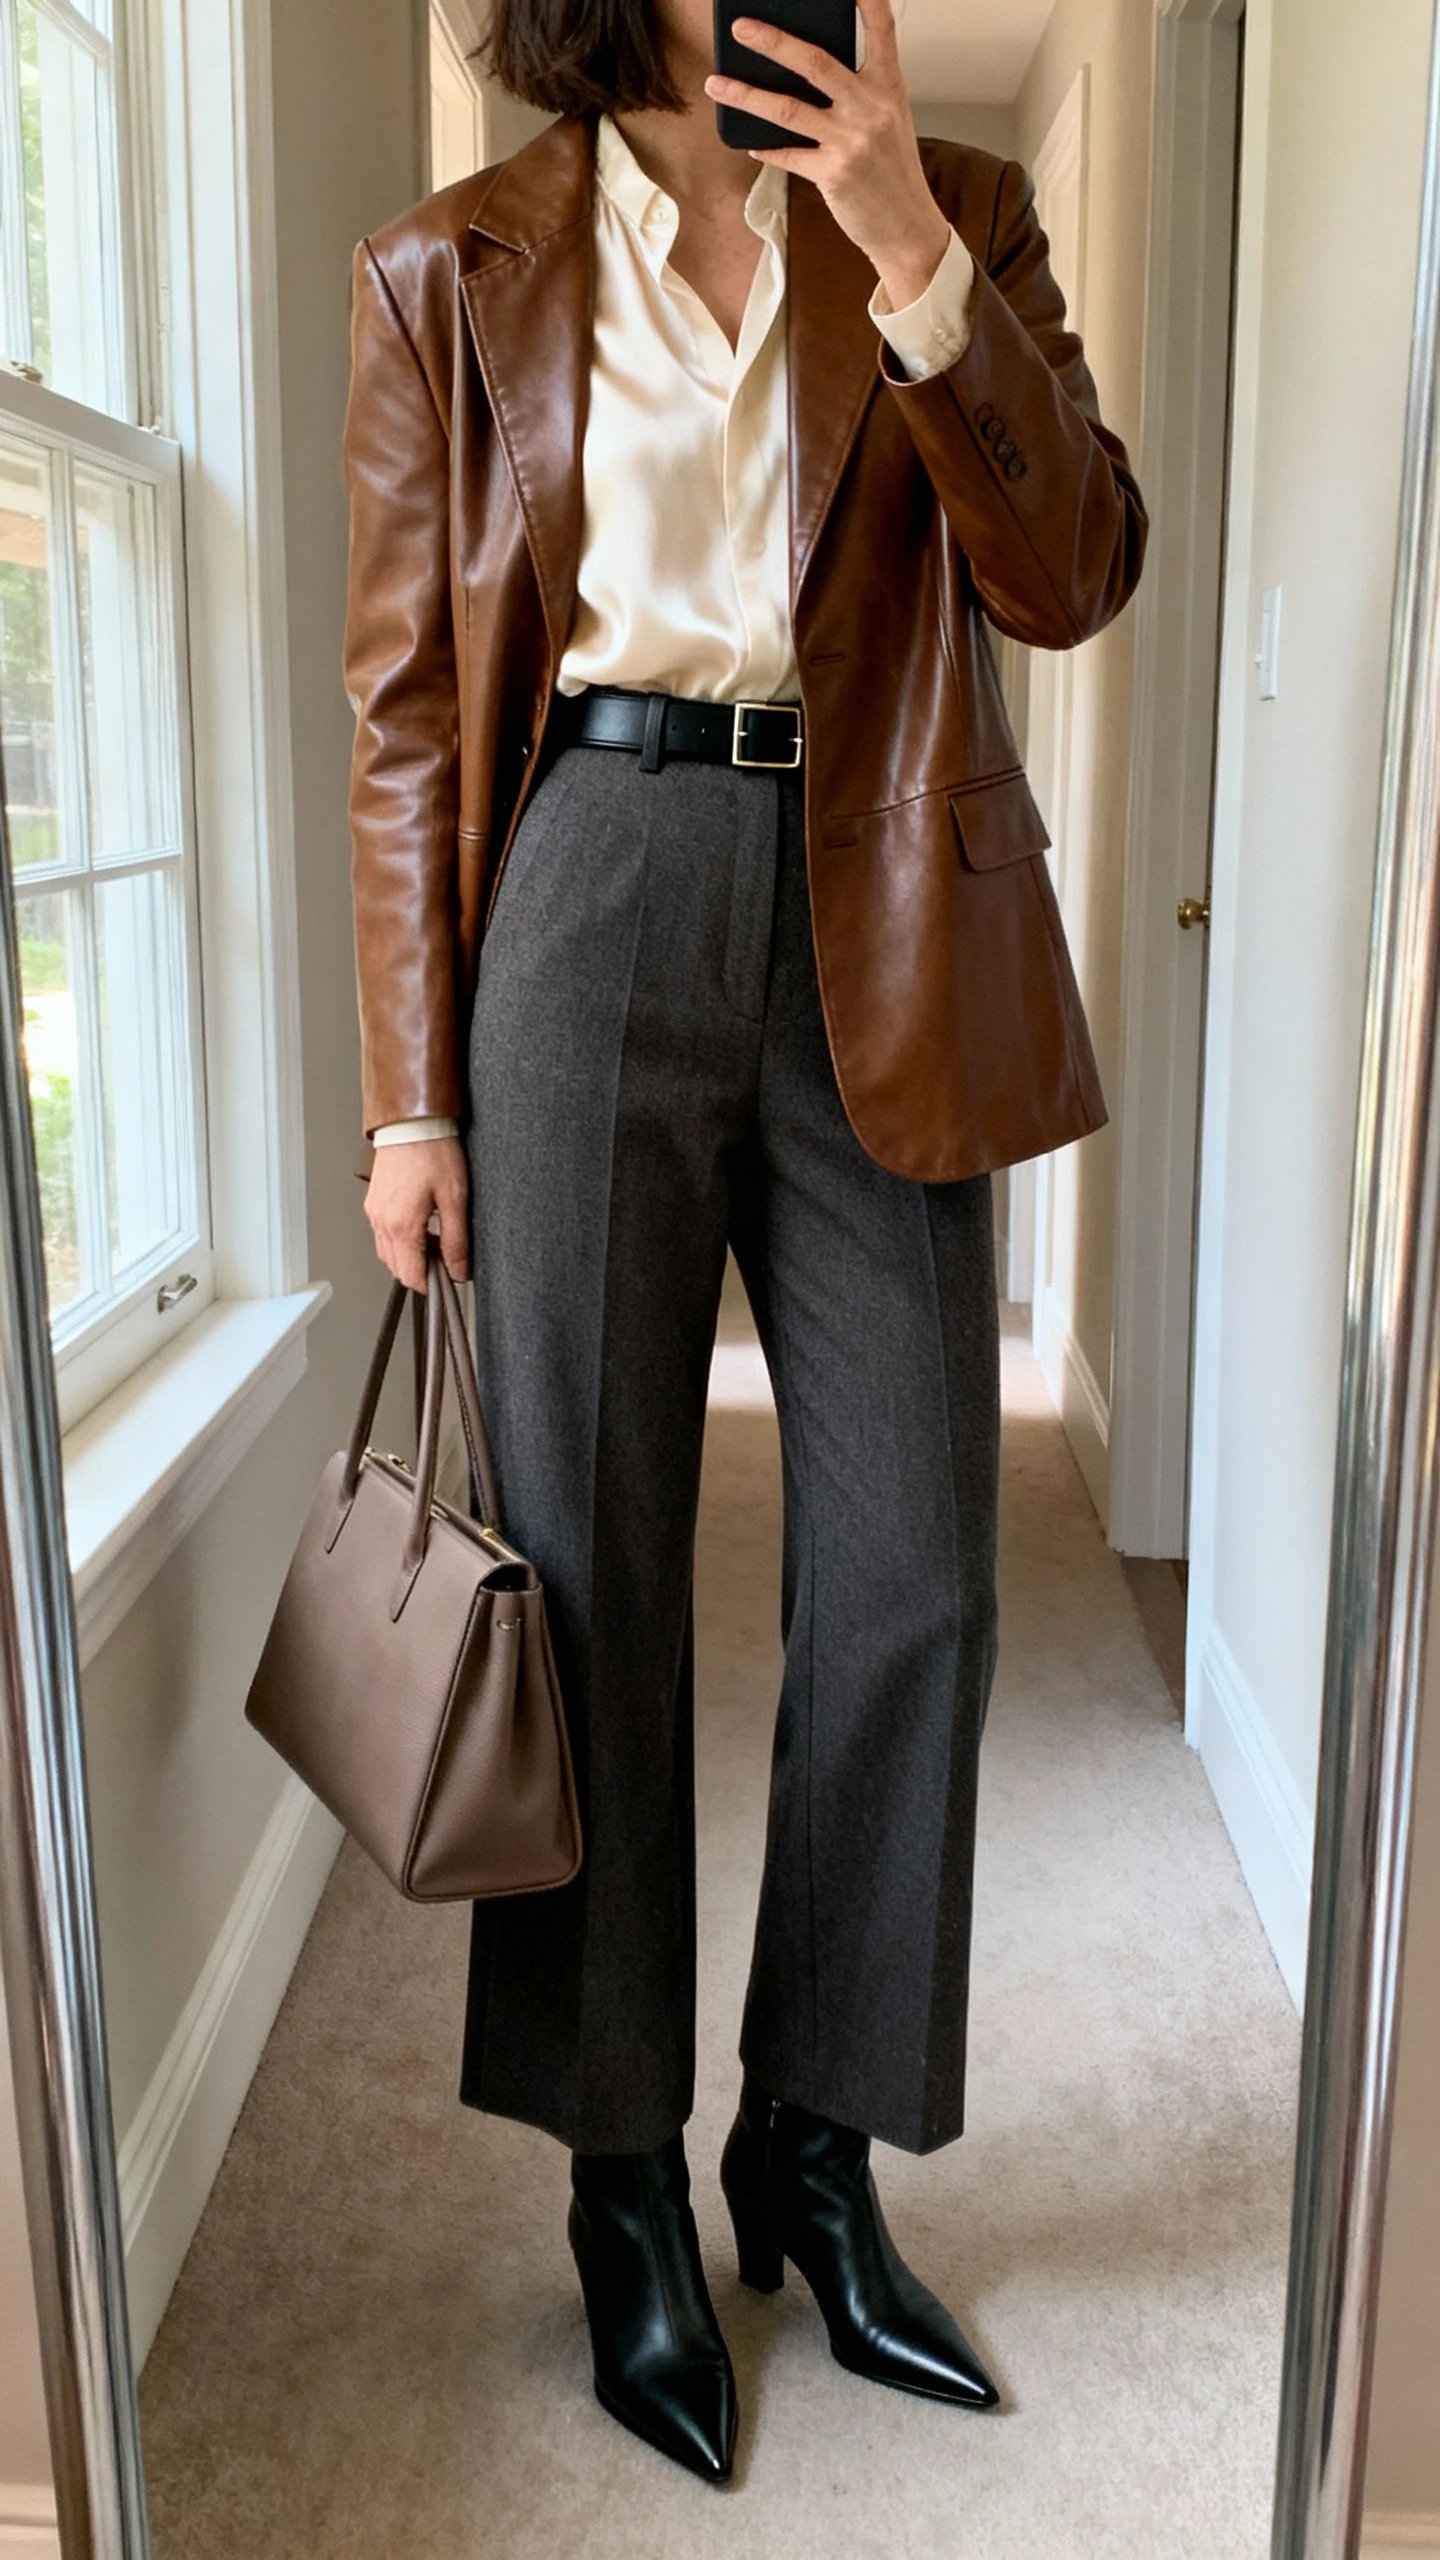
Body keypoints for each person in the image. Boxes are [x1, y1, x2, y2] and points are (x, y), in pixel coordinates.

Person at [344, 0, 1145, 2486]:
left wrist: (907, 238)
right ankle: (621, 2180)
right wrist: (410, 1088)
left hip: (887, 894)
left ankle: (814, 2140)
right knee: (585, 1565)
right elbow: (399, 703)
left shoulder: (967, 206)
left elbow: (1079, 566)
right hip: (583, 895)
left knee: (920, 1566)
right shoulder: (451, 268)